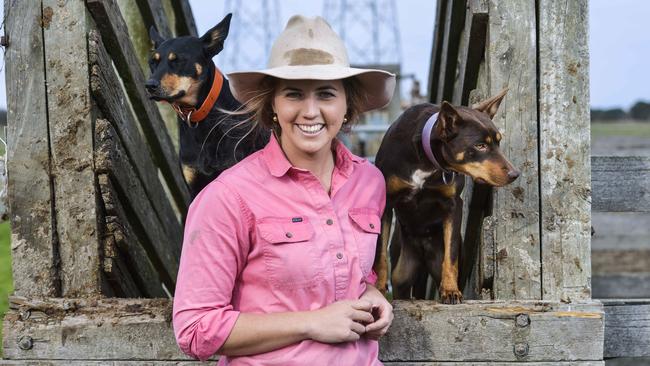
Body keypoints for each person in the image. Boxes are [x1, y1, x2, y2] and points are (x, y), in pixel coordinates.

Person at [172, 15, 396, 365]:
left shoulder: (369, 183)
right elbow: (195, 329)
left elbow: (350, 273)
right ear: (272, 105)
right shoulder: (229, 197)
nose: (310, 111)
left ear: (347, 105)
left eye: (326, 94)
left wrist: (370, 291)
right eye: (293, 94)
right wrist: (311, 323)